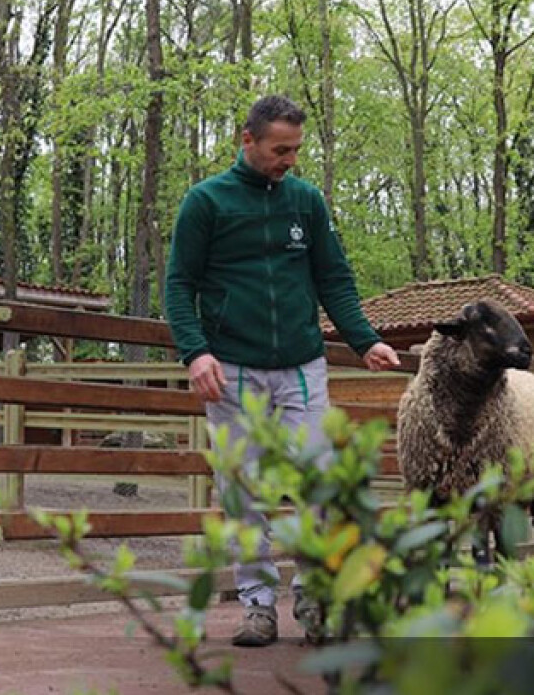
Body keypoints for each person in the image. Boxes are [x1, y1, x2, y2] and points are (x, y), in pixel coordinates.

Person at [164, 94, 400, 647]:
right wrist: (195, 352)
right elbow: (179, 286)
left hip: (301, 364)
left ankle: (315, 601)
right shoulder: (207, 202)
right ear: (247, 140)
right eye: (279, 149)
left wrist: (366, 340)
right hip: (232, 367)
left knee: (317, 483)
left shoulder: (306, 202)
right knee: (242, 489)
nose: (289, 159)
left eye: (295, 150)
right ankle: (258, 608)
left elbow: (334, 279)